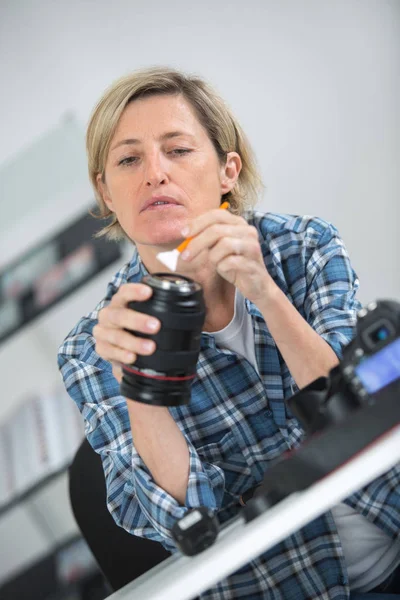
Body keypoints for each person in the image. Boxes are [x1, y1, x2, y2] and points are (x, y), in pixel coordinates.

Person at [58, 66, 400, 599]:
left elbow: (357, 412)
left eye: (178, 150)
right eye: (128, 160)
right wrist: (138, 378)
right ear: (105, 192)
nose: (154, 174)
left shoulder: (303, 247)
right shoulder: (93, 348)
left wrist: (264, 290)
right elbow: (185, 515)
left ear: (228, 170)